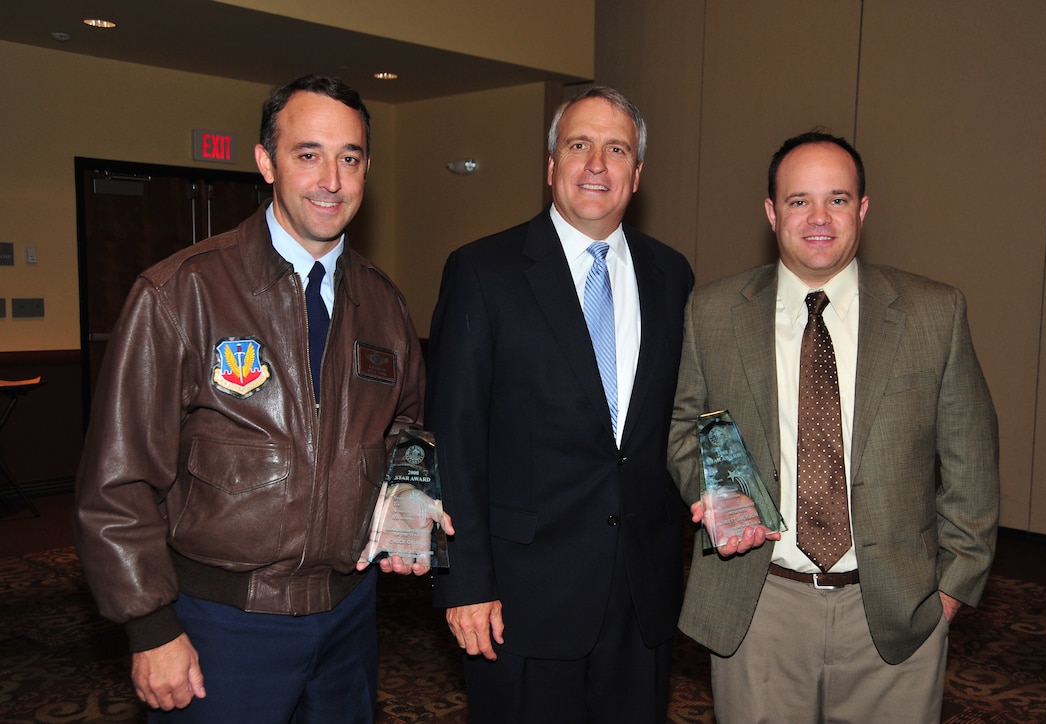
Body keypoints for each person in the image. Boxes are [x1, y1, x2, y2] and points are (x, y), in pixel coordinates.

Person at [74, 75, 451, 722]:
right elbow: (116, 481)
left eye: (350, 158)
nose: (330, 178)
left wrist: (408, 500)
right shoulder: (180, 293)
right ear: (265, 161)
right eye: (308, 154)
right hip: (220, 621)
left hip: (349, 620)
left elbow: (406, 426)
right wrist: (151, 627)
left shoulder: (384, 304)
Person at [667, 130, 999, 722]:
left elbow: (971, 454)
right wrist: (724, 501)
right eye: (799, 201)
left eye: (837, 200)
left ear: (862, 210)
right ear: (771, 213)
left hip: (896, 611)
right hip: (760, 603)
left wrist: (950, 590)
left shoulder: (933, 311)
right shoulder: (712, 311)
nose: (818, 218)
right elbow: (684, 430)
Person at [426, 86, 694, 722]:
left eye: (616, 149)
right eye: (579, 145)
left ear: (637, 173)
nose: (597, 164)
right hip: (521, 600)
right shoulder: (483, 271)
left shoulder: (672, 276)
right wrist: (464, 583)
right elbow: (454, 438)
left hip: (640, 596)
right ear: (551, 167)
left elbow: (680, 419)